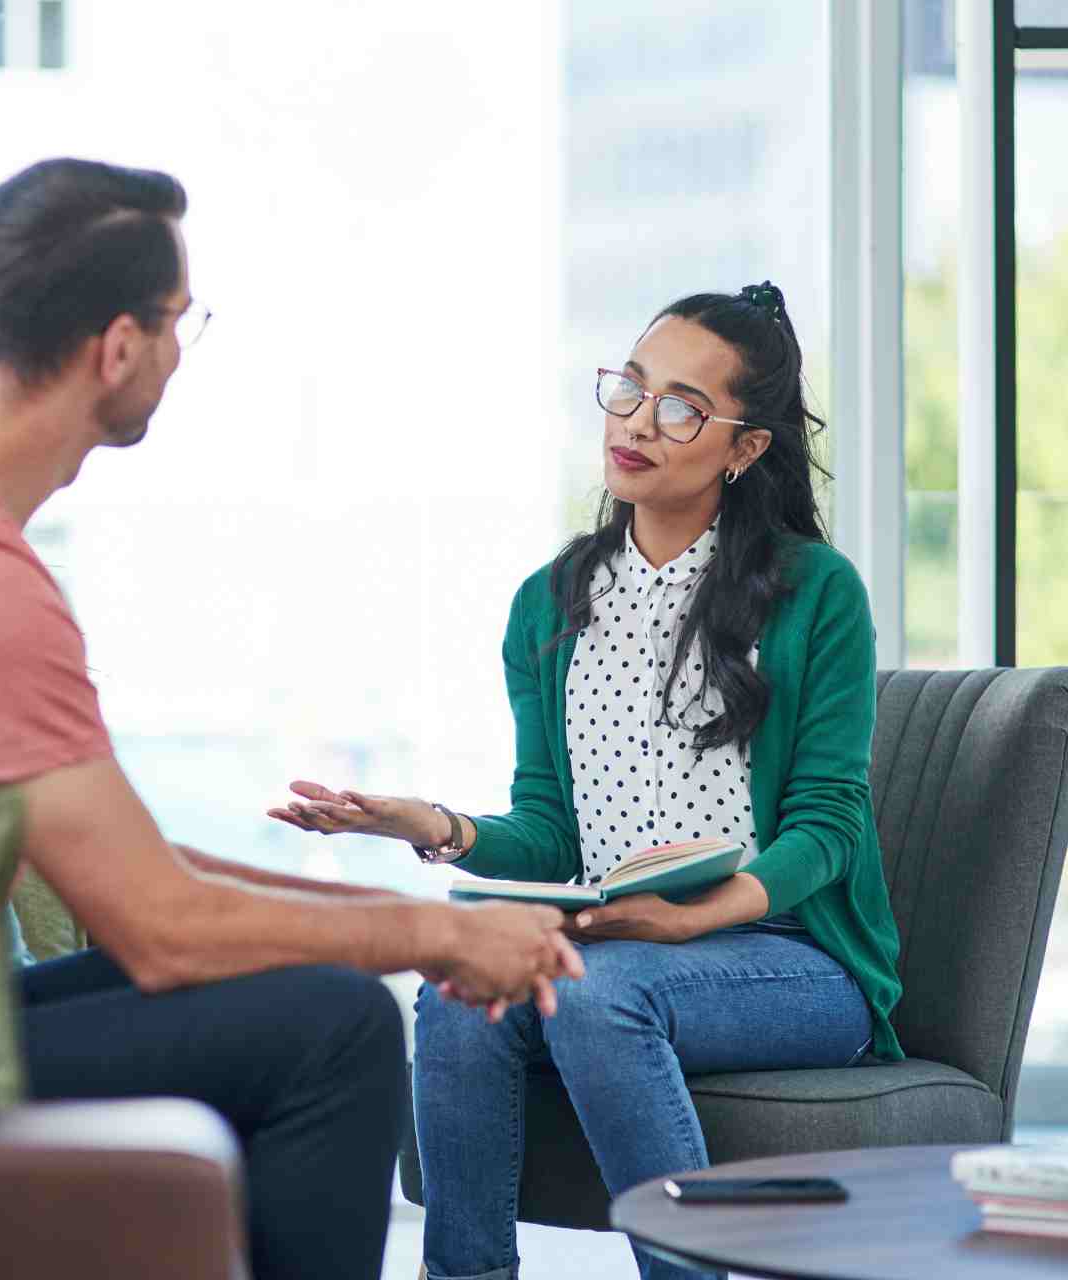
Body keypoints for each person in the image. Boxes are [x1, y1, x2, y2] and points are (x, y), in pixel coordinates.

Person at [0, 157, 585, 1280]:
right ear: (118, 346)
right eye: (179, 321)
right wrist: (440, 936)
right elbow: (160, 923)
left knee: (318, 985)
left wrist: (417, 919)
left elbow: (134, 868)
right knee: (339, 1028)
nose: (177, 350)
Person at [268, 283, 905, 1280]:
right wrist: (429, 823)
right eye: (630, 389)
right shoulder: (549, 604)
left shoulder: (817, 591)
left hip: (788, 952)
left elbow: (827, 828)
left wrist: (687, 919)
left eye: (682, 408)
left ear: (743, 448)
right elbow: (551, 833)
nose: (639, 423)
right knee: (457, 987)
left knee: (599, 996)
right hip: (616, 938)